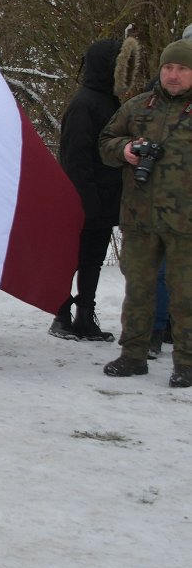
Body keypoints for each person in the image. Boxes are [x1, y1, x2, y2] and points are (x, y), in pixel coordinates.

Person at [99, 36, 192, 388]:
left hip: (186, 222)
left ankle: (186, 362)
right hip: (139, 218)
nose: (173, 75)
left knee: (186, 295)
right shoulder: (139, 106)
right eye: (168, 67)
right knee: (138, 290)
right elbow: (105, 141)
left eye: (182, 68)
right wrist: (125, 150)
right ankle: (133, 355)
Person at [48, 38, 122, 342]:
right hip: (84, 200)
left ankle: (84, 317)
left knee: (92, 261)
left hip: (104, 198)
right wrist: (87, 201)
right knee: (72, 259)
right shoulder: (84, 104)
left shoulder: (108, 101)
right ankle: (61, 316)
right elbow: (75, 159)